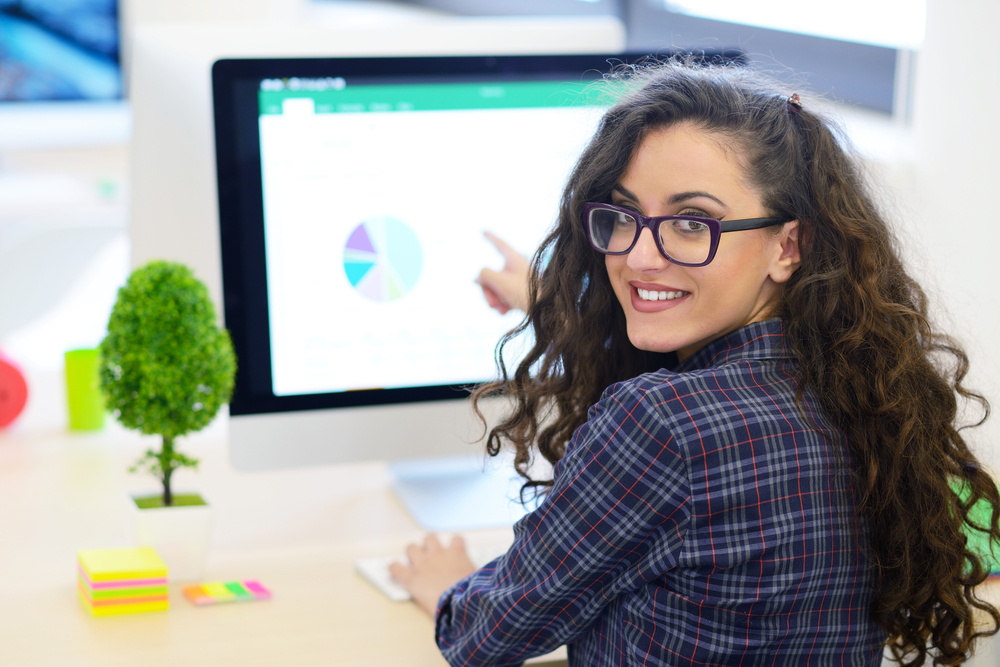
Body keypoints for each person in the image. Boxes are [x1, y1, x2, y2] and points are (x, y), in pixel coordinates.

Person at [389, 60, 1000, 666]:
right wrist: (555, 307)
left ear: (788, 245)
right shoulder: (867, 391)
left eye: (691, 223)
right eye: (624, 216)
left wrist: (449, 586)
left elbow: (487, 635)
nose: (640, 258)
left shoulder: (659, 425)